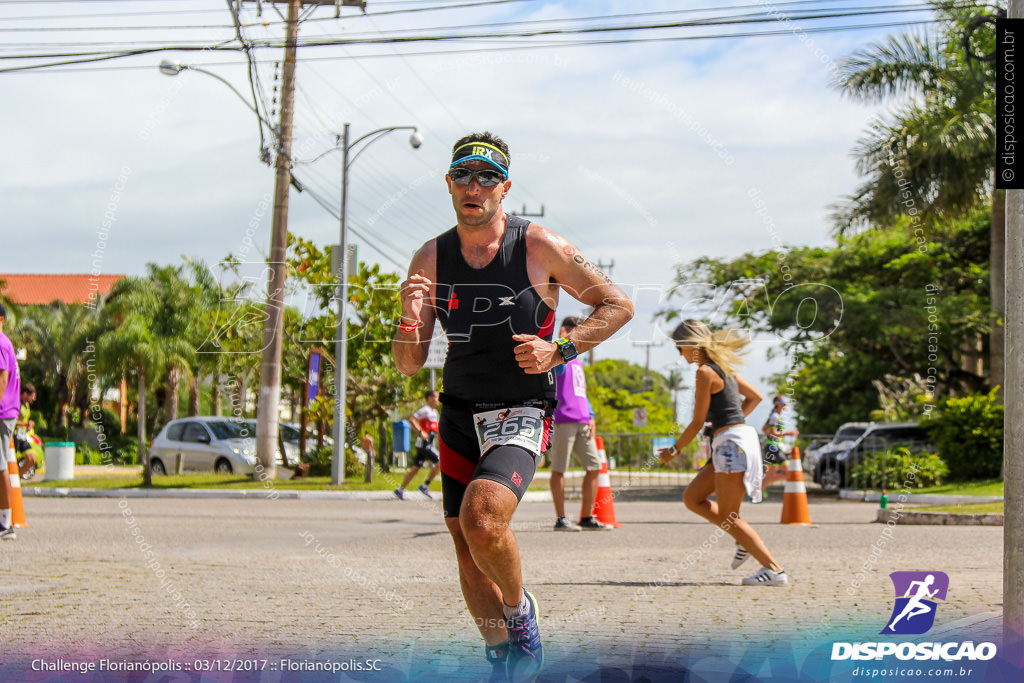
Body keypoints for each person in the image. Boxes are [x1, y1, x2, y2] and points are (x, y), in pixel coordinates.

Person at [392, 132, 634, 682]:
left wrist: (561, 349)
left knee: (483, 519)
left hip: (521, 404)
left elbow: (617, 304)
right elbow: (409, 363)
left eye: (486, 177)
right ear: (449, 184)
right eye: (462, 176)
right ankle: (504, 656)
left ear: (504, 187)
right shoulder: (430, 255)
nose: (473, 187)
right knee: (465, 546)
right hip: (458, 410)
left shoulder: (538, 245)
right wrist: (408, 314)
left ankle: (520, 612)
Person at [657, 320, 788, 587]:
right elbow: (755, 397)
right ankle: (743, 540)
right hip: (733, 442)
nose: (680, 355)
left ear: (691, 345)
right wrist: (729, 423)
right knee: (693, 498)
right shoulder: (724, 369)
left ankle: (774, 570)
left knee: (730, 516)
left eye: (680, 348)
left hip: (731, 446)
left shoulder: (705, 372)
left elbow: (696, 422)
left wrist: (673, 450)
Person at [548, 316, 610, 531]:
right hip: (563, 419)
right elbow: (559, 369)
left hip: (583, 419)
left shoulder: (579, 360)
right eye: (577, 329)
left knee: (594, 467)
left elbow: (580, 392)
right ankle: (561, 518)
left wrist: (591, 414)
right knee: (559, 469)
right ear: (566, 330)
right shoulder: (558, 356)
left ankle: (587, 517)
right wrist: (564, 340)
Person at [395, 390, 441, 500]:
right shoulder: (425, 410)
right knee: (441, 461)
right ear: (430, 398)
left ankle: (400, 489)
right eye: (436, 397)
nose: (438, 400)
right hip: (424, 444)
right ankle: (425, 486)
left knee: (415, 469)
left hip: (427, 444)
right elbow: (412, 419)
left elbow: (435, 429)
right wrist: (420, 432)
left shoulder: (434, 412)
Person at [0, 302, 21, 540]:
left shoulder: (0, 342)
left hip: (2, 412)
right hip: (6, 411)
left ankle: (6, 523)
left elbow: (3, 378)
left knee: (0, 465)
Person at [15, 383, 38, 480]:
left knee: (32, 460)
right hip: (15, 435)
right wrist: (23, 424)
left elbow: (25, 420)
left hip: (23, 436)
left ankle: (14, 479)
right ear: (25, 394)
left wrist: (30, 423)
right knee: (11, 461)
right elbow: (10, 420)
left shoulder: (27, 405)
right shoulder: (16, 403)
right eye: (31, 396)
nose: (33, 399)